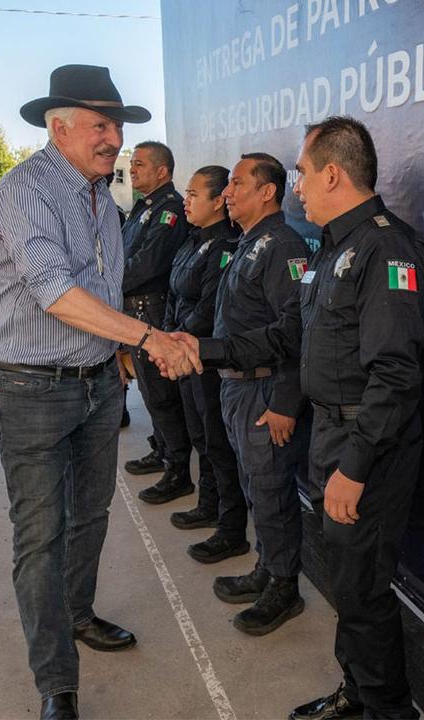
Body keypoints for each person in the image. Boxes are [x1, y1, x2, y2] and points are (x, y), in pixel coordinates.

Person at [171, 117, 424, 718]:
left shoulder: (386, 247)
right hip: (334, 435)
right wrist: (199, 349)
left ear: (334, 174)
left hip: (366, 445)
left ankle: (385, 708)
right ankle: (359, 693)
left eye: (303, 173)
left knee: (364, 588)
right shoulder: (333, 247)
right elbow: (285, 336)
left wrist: (356, 465)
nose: (297, 187)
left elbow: (395, 375)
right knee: (347, 582)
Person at [0, 64, 198, 720]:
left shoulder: (104, 194)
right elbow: (54, 291)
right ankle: (57, 682)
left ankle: (75, 613)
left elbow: (101, 288)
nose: (114, 139)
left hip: (98, 385)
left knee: (91, 516)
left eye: (119, 127)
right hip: (29, 390)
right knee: (40, 534)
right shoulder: (26, 191)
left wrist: (115, 352)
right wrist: (148, 338)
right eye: (102, 126)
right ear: (60, 125)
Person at [186, 152, 314, 637]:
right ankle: (266, 566)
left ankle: (284, 588)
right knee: (254, 486)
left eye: (238, 183)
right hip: (237, 387)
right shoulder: (250, 241)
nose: (227, 193)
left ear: (267, 191)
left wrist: (285, 402)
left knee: (273, 491)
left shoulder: (283, 246)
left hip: (266, 390)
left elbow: (296, 331)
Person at [163, 165, 249, 549]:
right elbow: (174, 294)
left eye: (195, 194)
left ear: (218, 202)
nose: (187, 201)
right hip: (184, 352)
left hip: (206, 358)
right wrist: (166, 336)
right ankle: (207, 503)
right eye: (187, 192)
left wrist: (178, 342)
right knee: (200, 436)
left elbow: (210, 308)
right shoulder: (191, 240)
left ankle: (230, 528)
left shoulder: (225, 247)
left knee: (217, 442)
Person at [119, 141, 199, 504]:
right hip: (135, 309)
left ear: (162, 172)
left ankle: (178, 471)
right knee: (151, 395)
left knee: (164, 397)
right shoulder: (143, 208)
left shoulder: (169, 211)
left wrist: (107, 285)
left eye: (139, 164)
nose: (132, 170)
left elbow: (147, 265)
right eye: (132, 164)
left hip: (152, 309)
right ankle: (162, 448)